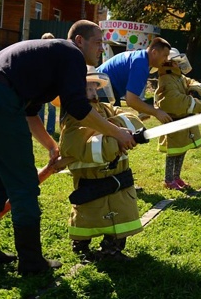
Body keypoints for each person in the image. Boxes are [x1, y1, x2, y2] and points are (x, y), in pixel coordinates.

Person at [0, 20, 135, 276]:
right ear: (79, 41)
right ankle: (31, 262)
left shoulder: (48, 59)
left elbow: (31, 114)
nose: (100, 49)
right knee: (24, 187)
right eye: (97, 43)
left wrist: (52, 147)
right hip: (0, 102)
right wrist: (116, 131)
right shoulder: (71, 54)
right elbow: (78, 108)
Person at [59, 66, 144, 262]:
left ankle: (111, 250)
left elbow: (132, 120)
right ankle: (80, 246)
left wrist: (113, 129)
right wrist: (117, 137)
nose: (93, 93)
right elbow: (82, 146)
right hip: (92, 181)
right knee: (88, 216)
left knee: (121, 215)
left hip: (118, 177)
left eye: (94, 88)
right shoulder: (73, 118)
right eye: (87, 89)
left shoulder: (106, 109)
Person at [154, 48, 201, 190]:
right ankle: (168, 180)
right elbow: (174, 101)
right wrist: (197, 104)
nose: (180, 65)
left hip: (184, 121)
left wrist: (197, 87)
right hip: (174, 121)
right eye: (177, 62)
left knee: (182, 150)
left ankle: (176, 177)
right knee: (173, 152)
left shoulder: (177, 76)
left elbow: (188, 81)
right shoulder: (166, 79)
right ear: (169, 63)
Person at [97, 37, 173, 124]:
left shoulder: (140, 58)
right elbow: (131, 100)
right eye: (165, 56)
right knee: (113, 128)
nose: (166, 60)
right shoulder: (141, 64)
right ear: (154, 52)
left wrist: (142, 109)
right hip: (102, 88)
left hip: (102, 85)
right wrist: (156, 112)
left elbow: (128, 93)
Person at [38, 32, 57, 135]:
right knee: (40, 107)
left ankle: (50, 130)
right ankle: (40, 129)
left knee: (52, 108)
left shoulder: (55, 55)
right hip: (41, 84)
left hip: (52, 85)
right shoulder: (39, 54)